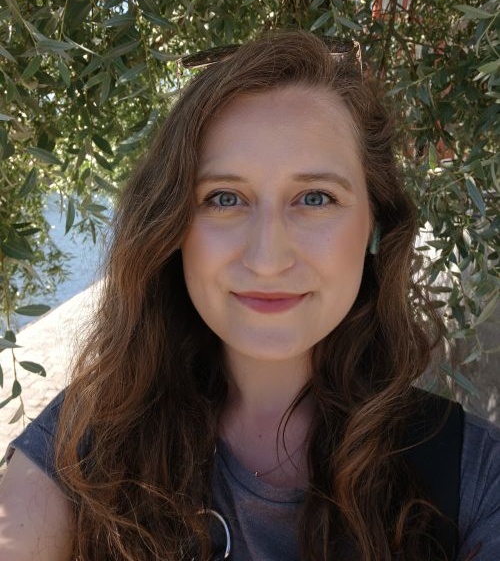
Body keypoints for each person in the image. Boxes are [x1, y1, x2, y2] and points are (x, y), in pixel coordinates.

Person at [0, 31, 499, 561]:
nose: (266, 258)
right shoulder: (85, 441)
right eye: (224, 198)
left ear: (376, 223)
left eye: (315, 198)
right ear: (171, 226)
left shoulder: (473, 475)